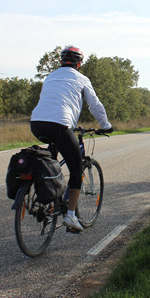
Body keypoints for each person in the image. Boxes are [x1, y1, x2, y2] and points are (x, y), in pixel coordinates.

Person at [30, 46, 112, 232]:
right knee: (76, 169)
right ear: (79, 63)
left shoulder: (50, 76)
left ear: (60, 62)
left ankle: (50, 196)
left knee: (52, 161)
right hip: (60, 124)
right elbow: (95, 105)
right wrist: (106, 125)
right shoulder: (82, 79)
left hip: (36, 123)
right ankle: (71, 215)